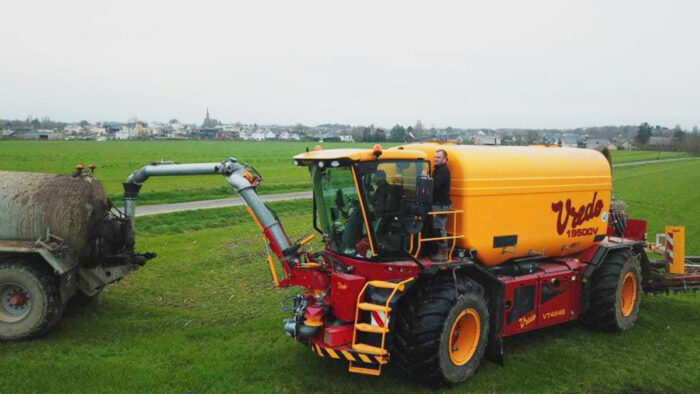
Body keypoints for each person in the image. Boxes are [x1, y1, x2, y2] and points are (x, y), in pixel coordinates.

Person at [431, 149, 451, 262]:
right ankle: (438, 251)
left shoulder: (443, 171)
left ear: (444, 159)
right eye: (435, 157)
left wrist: (426, 179)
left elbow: (435, 186)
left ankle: (443, 254)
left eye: (438, 157)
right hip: (437, 204)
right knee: (436, 228)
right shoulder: (438, 170)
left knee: (439, 229)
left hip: (441, 205)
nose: (435, 159)